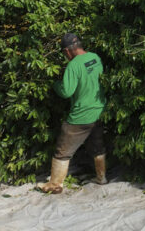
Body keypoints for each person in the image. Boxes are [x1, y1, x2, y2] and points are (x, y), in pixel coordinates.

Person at [39, 32, 107, 194]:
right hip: (98, 110)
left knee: (62, 151)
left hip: (80, 115)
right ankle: (101, 178)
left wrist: (55, 85)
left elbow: (66, 92)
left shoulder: (73, 65)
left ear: (68, 51)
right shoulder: (95, 57)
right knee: (97, 146)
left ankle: (55, 184)